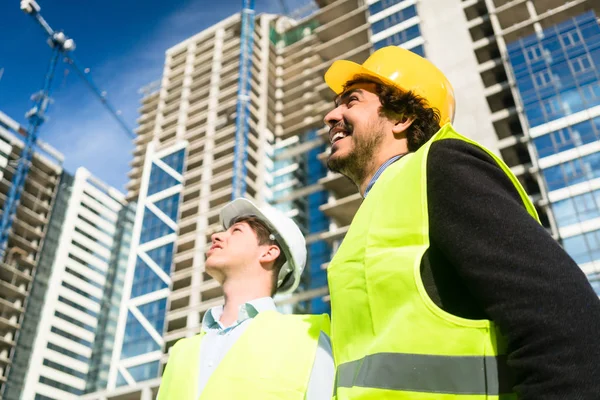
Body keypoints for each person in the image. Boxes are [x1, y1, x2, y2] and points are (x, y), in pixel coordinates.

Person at [322, 45, 600, 399]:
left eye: (352, 101)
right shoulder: (380, 206)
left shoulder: (440, 167)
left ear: (402, 117)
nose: (332, 115)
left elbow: (567, 326)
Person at [158, 198, 334, 399]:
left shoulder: (308, 336)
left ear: (269, 252)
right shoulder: (180, 353)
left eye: (237, 231)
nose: (216, 236)